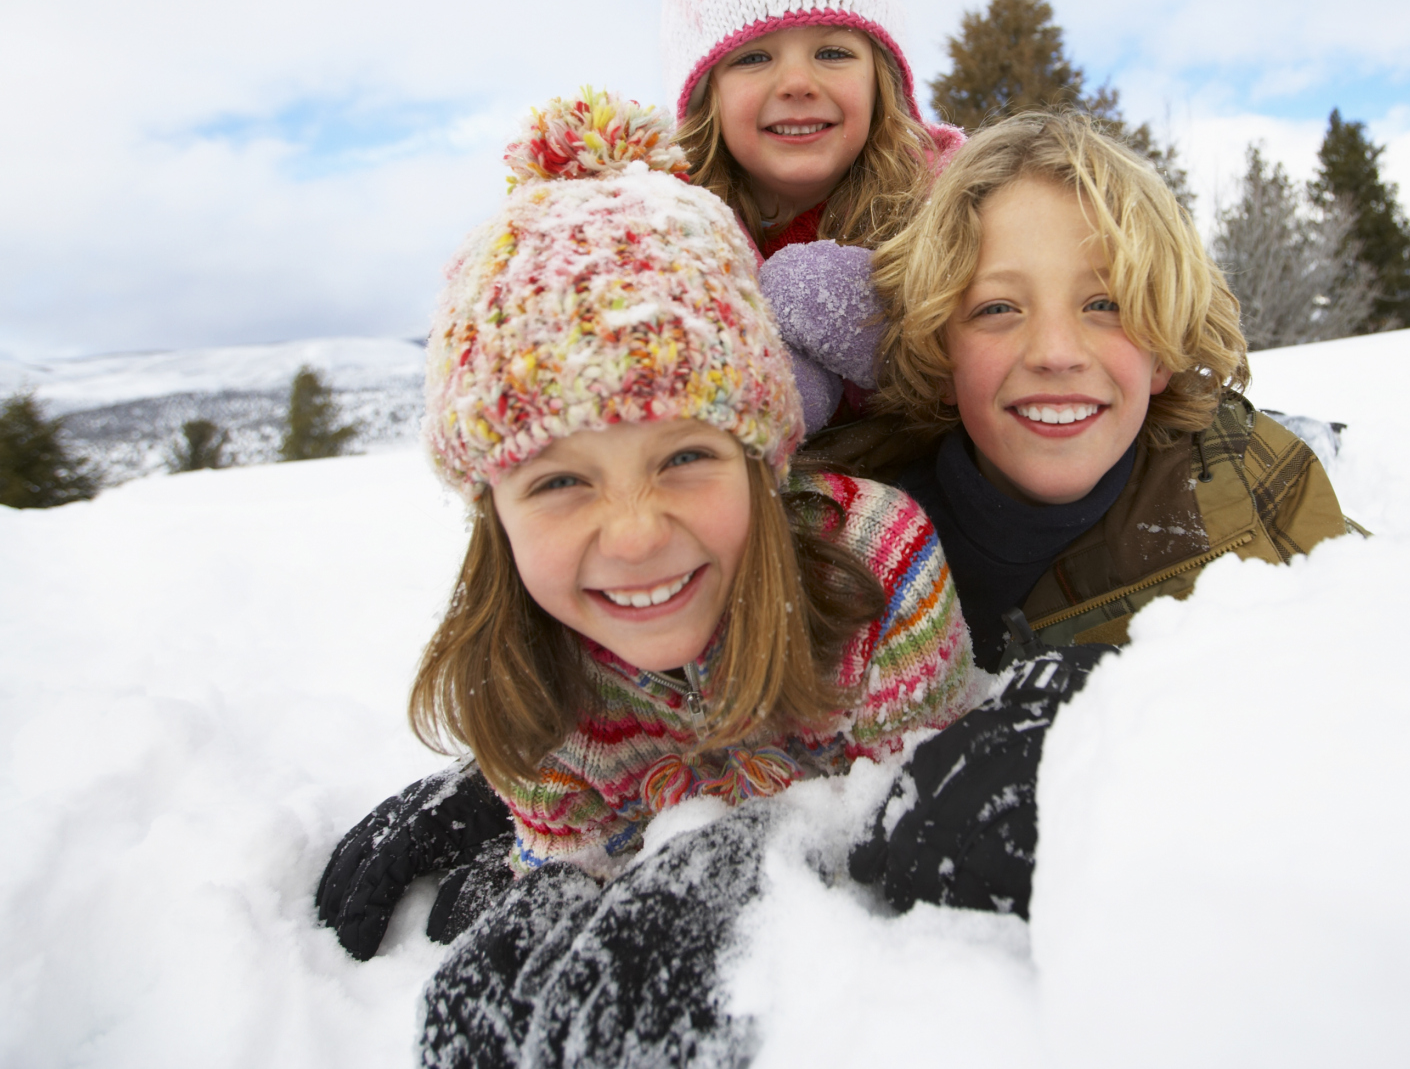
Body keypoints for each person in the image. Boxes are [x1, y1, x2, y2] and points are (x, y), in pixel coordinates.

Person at [313, 89, 975, 1066]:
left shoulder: (880, 571)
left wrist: (756, 858)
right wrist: (558, 871)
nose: (632, 536)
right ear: (491, 511)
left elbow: (923, 831)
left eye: (684, 459)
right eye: (561, 480)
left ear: (763, 456)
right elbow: (569, 844)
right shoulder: (526, 677)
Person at [824, 110, 1362, 918]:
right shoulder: (849, 540)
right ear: (937, 352)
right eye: (997, 309)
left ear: (1164, 341)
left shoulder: (1246, 481)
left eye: (1104, 303)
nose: (1055, 351)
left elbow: (1375, 692)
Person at [662, 0, 967, 430]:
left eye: (833, 53)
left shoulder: (955, 204)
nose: (797, 83)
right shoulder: (670, 239)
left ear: (883, 81)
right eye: (753, 58)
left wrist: (896, 335)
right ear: (707, 98)